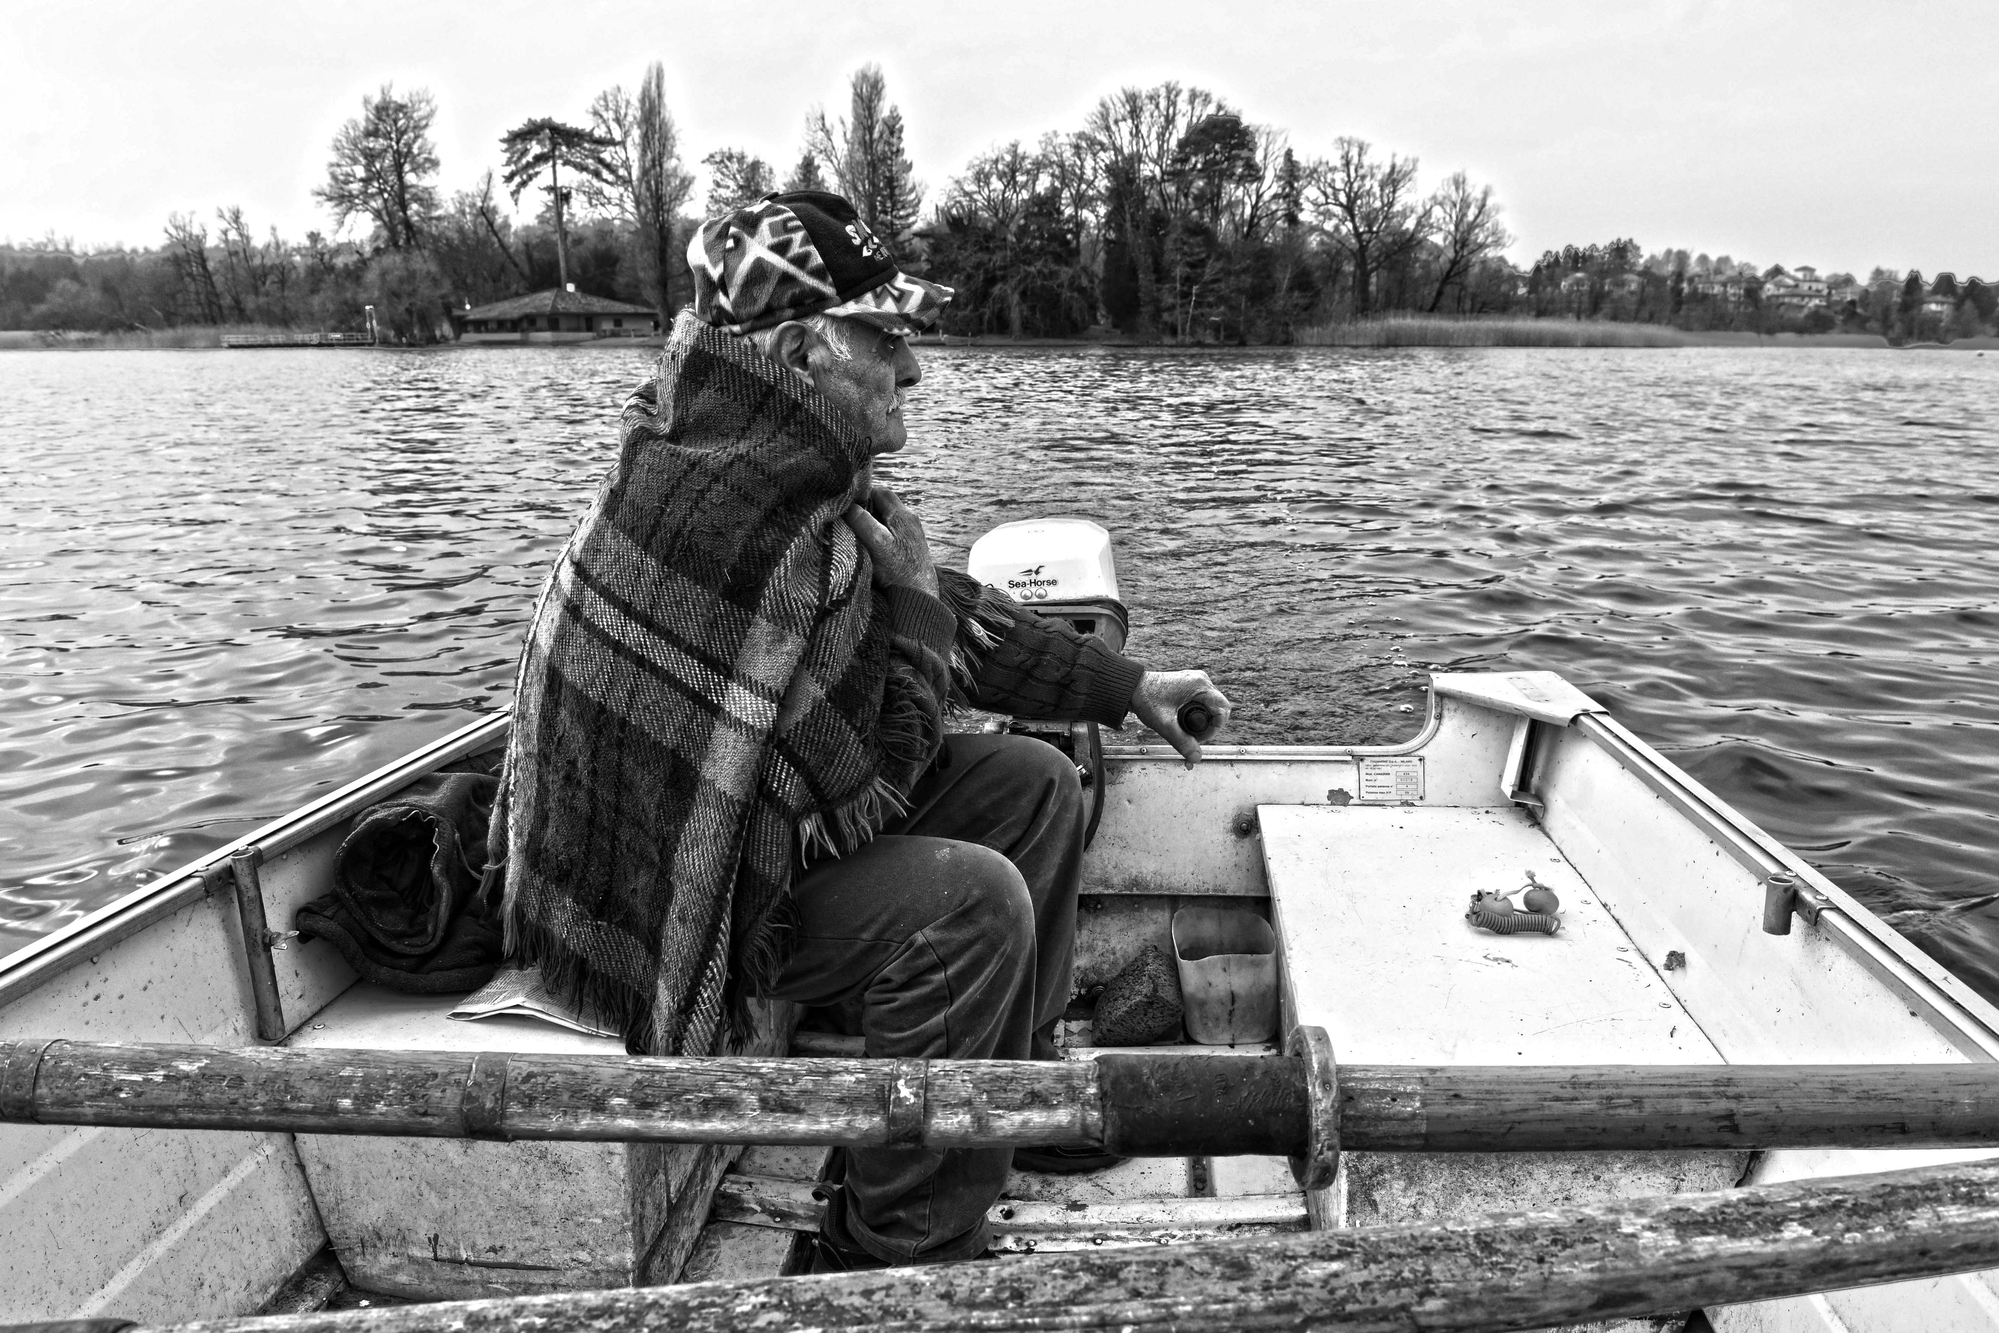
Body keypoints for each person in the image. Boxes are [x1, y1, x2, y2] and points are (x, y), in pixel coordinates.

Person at [496, 190, 1230, 1273]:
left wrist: (1124, 685)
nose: (914, 367)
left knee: (1030, 779)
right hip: (674, 904)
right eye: (885, 338)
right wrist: (921, 616)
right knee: (965, 905)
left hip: (750, 834)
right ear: (801, 350)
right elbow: (864, 776)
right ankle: (888, 1239)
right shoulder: (743, 529)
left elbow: (935, 606)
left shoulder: (782, 469)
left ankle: (1004, 1103)